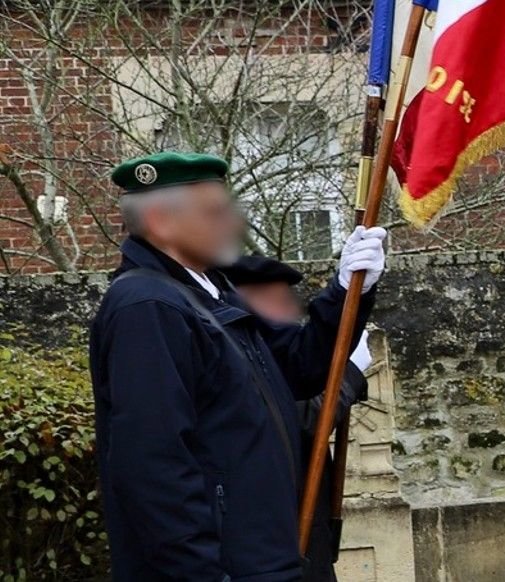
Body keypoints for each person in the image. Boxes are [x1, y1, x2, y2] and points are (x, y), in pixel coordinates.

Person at [89, 152, 387, 581]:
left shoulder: (213, 292)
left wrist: (346, 291)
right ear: (159, 220)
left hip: (269, 557)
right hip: (231, 568)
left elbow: (299, 369)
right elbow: (156, 470)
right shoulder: (148, 306)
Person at [221, 256, 371, 582]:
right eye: (274, 299)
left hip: (310, 517)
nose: (287, 308)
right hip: (277, 527)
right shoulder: (244, 348)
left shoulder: (281, 342)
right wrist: (350, 373)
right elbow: (304, 416)